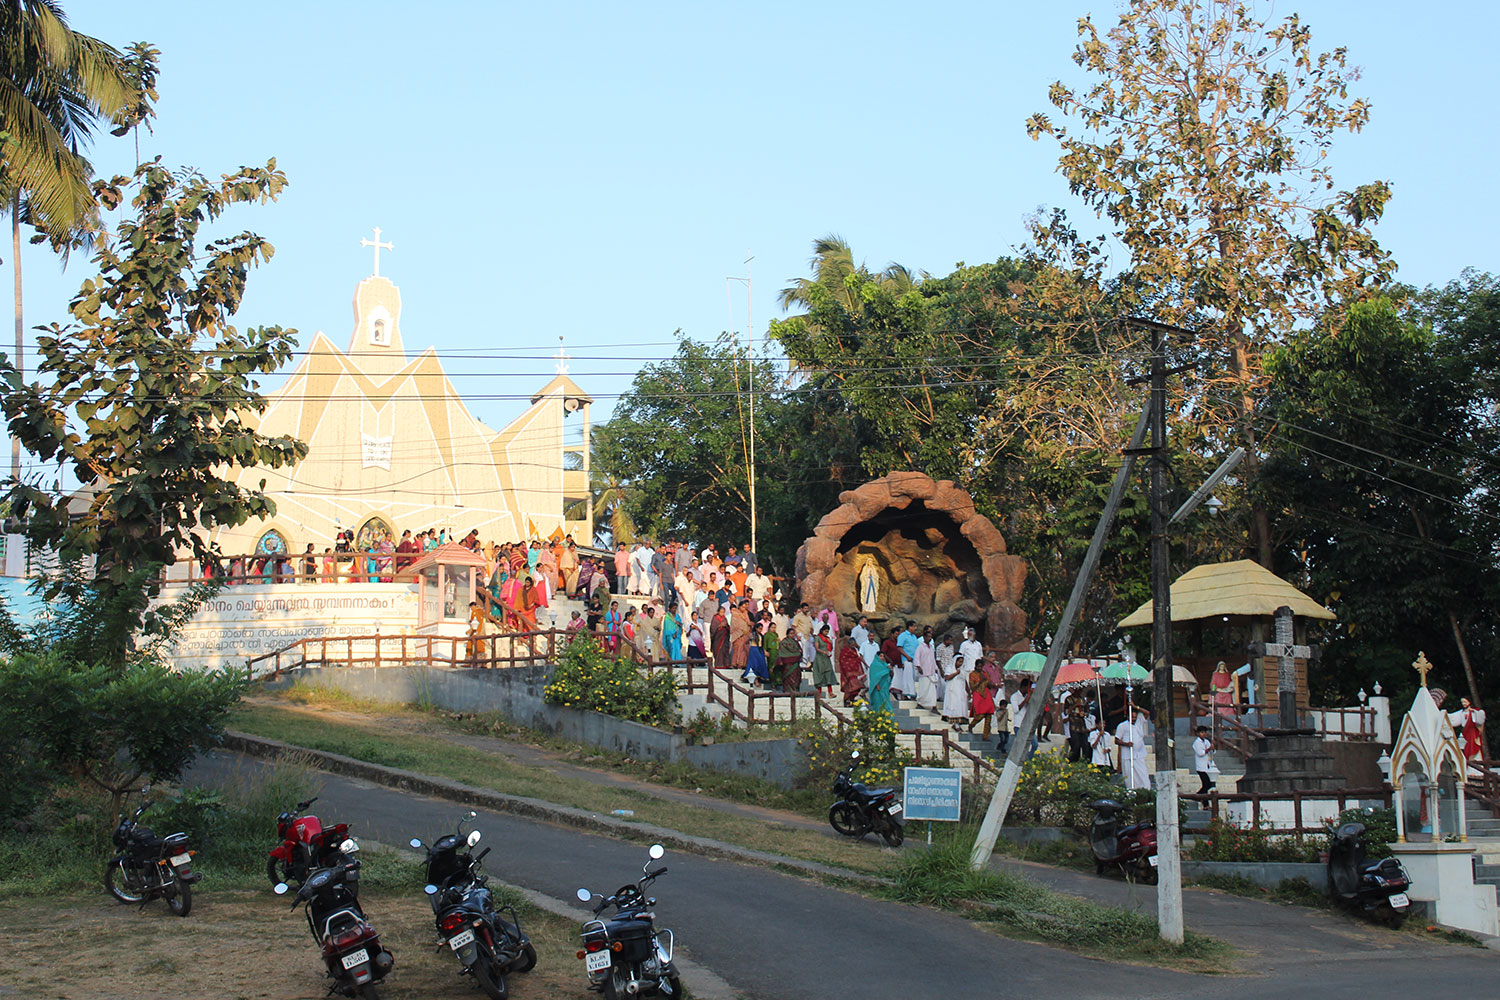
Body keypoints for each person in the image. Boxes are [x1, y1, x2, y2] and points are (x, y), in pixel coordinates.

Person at [1116, 704, 1150, 791]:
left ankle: (1145, 790)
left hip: (1139, 755)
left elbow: (1147, 713)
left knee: (1143, 775)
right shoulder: (1122, 726)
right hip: (1128, 755)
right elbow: (1116, 740)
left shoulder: (1139, 721)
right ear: (1128, 716)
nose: (1134, 719)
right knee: (1130, 777)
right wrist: (1126, 744)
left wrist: (1135, 707)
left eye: (1135, 717)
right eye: (1132, 717)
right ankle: (1131, 791)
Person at [913, 629, 940, 710]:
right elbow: (916, 658)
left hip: (931, 672)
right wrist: (918, 667)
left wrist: (935, 668)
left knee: (932, 691)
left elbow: (932, 659)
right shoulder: (920, 647)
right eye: (928, 637)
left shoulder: (931, 648)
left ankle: (933, 706)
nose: (929, 638)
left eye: (930, 637)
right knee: (923, 689)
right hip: (924, 672)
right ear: (924, 637)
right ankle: (920, 703)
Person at [838, 632, 867, 706]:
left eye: (854, 645)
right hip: (848, 672)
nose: (853, 646)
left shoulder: (854, 650)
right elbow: (843, 661)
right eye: (852, 645)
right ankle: (846, 701)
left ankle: (852, 699)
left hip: (856, 671)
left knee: (857, 687)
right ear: (848, 644)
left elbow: (857, 658)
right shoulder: (844, 651)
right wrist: (847, 671)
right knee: (850, 688)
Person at [967, 659, 995, 737]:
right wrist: (980, 681)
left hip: (986, 694)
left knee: (988, 716)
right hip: (977, 694)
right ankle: (971, 726)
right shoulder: (972, 674)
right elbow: (972, 686)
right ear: (975, 666)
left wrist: (987, 679)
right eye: (978, 666)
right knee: (980, 715)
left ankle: (986, 736)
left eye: (981, 666)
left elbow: (990, 685)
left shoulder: (985, 674)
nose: (979, 668)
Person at [941, 653, 970, 726]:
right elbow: (947, 677)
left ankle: (958, 724)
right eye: (959, 661)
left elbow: (965, 682)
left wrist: (968, 692)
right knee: (953, 706)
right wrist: (956, 673)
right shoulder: (949, 668)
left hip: (960, 692)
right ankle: (954, 724)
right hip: (952, 692)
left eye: (961, 662)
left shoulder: (962, 670)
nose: (960, 663)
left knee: (960, 707)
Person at [810, 623, 836, 698]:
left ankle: (830, 692)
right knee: (819, 675)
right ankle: (819, 693)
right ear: (822, 631)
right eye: (825, 631)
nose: (826, 633)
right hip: (819, 658)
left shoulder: (827, 638)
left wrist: (831, 643)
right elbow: (817, 648)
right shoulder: (818, 638)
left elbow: (830, 649)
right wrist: (824, 652)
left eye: (827, 632)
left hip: (826, 658)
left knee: (828, 673)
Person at [866, 640, 892, 713]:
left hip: (884, 686)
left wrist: (890, 669)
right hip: (877, 687)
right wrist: (876, 684)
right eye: (880, 656)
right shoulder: (874, 665)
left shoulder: (885, 665)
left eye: (883, 656)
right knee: (878, 702)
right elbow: (873, 676)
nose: (882, 658)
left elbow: (890, 675)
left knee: (886, 702)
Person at [1192, 724, 1215, 794]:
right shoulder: (1196, 743)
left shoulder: (1206, 741)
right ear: (1198, 733)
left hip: (1208, 766)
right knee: (1206, 784)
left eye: (1205, 732)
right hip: (1201, 767)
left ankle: (1203, 800)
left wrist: (1213, 748)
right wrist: (1208, 749)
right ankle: (1199, 796)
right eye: (1202, 732)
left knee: (1209, 784)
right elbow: (1200, 753)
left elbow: (1212, 752)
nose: (1204, 734)